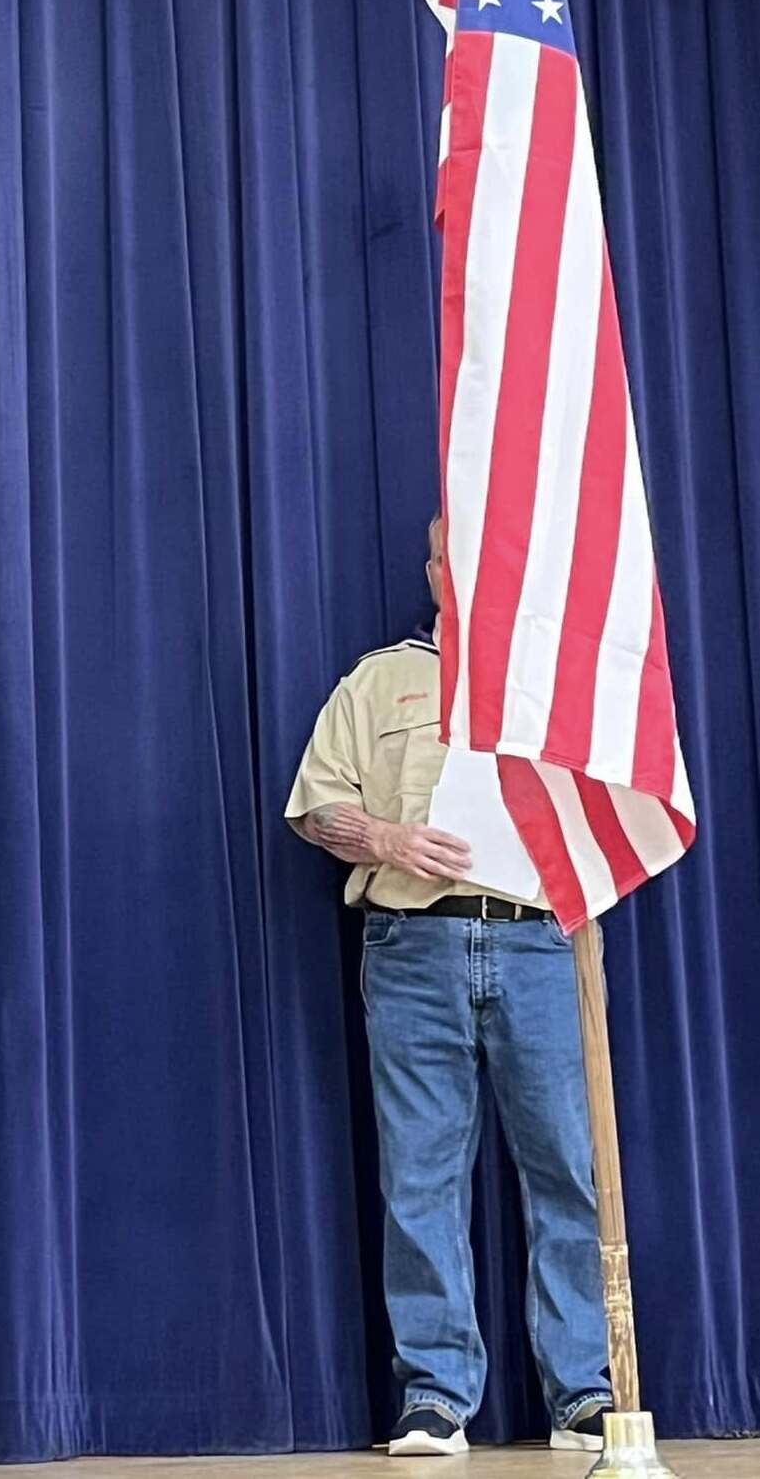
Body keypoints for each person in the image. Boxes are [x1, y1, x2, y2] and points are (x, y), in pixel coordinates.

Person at [285, 518, 611, 1459]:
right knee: (419, 1175)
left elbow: (614, 810)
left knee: (566, 1171)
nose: (465, 569)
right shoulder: (378, 680)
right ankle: (434, 1395)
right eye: (448, 553)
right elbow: (316, 806)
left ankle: (580, 1393)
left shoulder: (560, 683)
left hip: (541, 944)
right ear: (431, 570)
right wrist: (387, 840)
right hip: (411, 947)